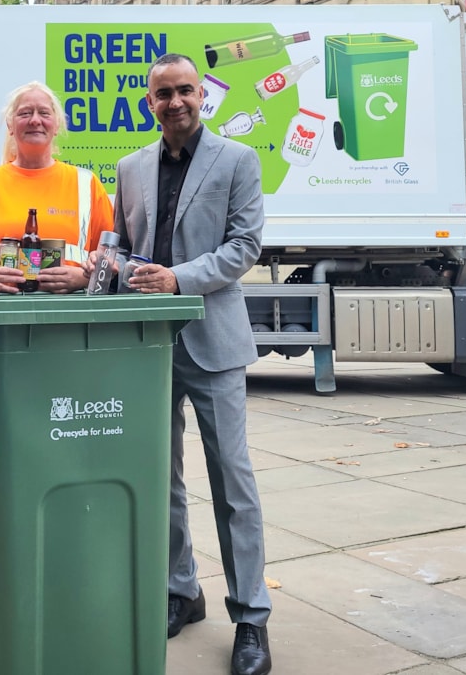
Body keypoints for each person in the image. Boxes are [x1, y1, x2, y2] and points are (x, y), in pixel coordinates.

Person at [98, 52, 273, 675]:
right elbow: (119, 244)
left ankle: (250, 617)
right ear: (150, 102)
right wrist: (102, 272)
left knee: (232, 479)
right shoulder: (130, 167)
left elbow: (245, 245)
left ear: (203, 96)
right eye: (162, 94)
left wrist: (177, 280)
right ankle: (182, 591)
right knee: (160, 477)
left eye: (185, 91)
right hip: (146, 343)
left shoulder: (237, 160)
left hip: (213, 341)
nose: (175, 102)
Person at [0, 79, 116, 599]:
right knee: (1, 451)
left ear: (57, 124)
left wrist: (83, 277)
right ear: (10, 126)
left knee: (66, 443)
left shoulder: (86, 185)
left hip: (70, 339)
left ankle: (70, 557)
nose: (35, 121)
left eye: (44, 113)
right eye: (24, 113)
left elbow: (110, 257)